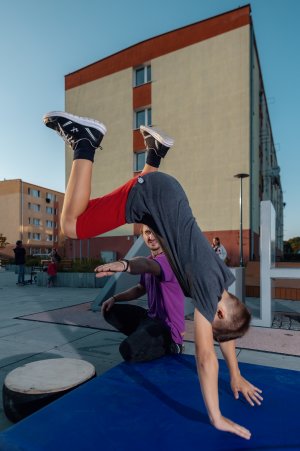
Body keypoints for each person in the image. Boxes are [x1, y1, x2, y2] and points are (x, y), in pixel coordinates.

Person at [43, 111, 263, 440]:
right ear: (216, 312)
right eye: (210, 324)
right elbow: (205, 358)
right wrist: (216, 416)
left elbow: (226, 335)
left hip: (163, 195)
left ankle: (155, 153)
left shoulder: (222, 280)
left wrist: (235, 373)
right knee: (73, 225)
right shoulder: (207, 290)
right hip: (153, 196)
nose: (204, 325)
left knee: (93, 214)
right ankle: (85, 140)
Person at [101, 224, 185, 362]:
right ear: (142, 235)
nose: (151, 237)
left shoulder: (169, 260)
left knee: (127, 350)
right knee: (109, 310)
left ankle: (172, 346)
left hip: (168, 328)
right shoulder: (150, 259)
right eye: (147, 232)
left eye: (154, 232)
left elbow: (145, 265)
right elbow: (140, 288)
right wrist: (114, 298)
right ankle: (144, 337)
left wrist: (125, 264)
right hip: (150, 318)